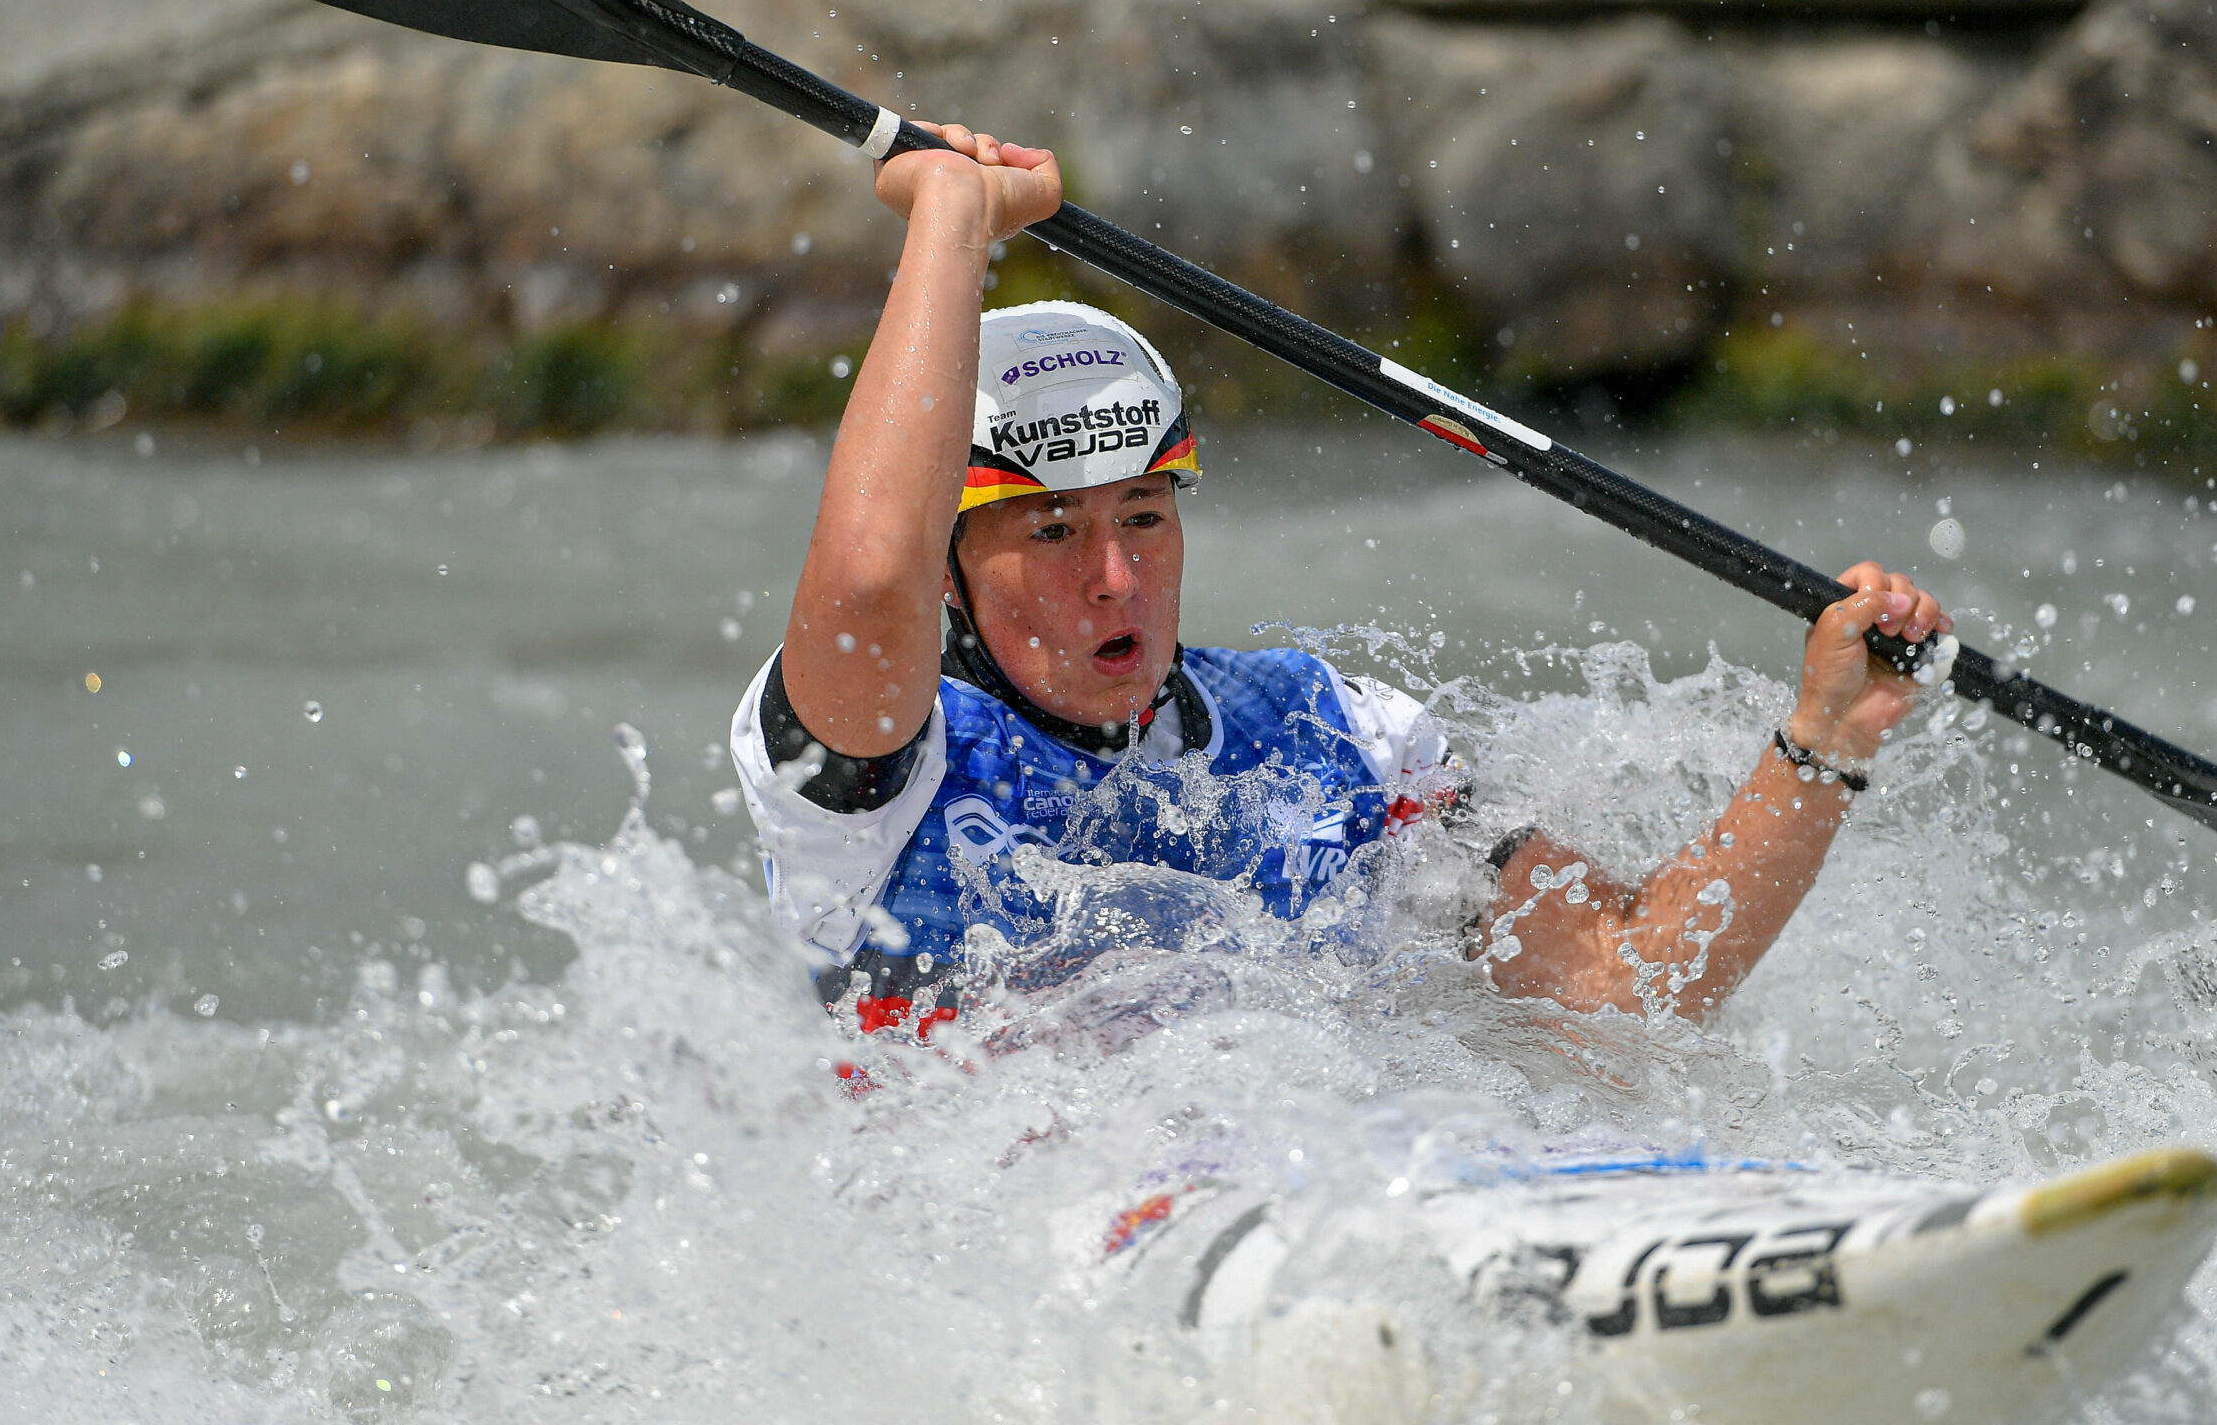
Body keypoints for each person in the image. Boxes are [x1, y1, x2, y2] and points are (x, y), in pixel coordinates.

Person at [731, 125, 1951, 1034]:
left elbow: (1624, 981)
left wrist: (1823, 742)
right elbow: (866, 573)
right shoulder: (874, 764)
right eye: (1049, 533)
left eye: (1144, 518)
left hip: (1329, 1193)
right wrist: (952, 216)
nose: (1115, 576)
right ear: (953, 573)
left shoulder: (1330, 736)